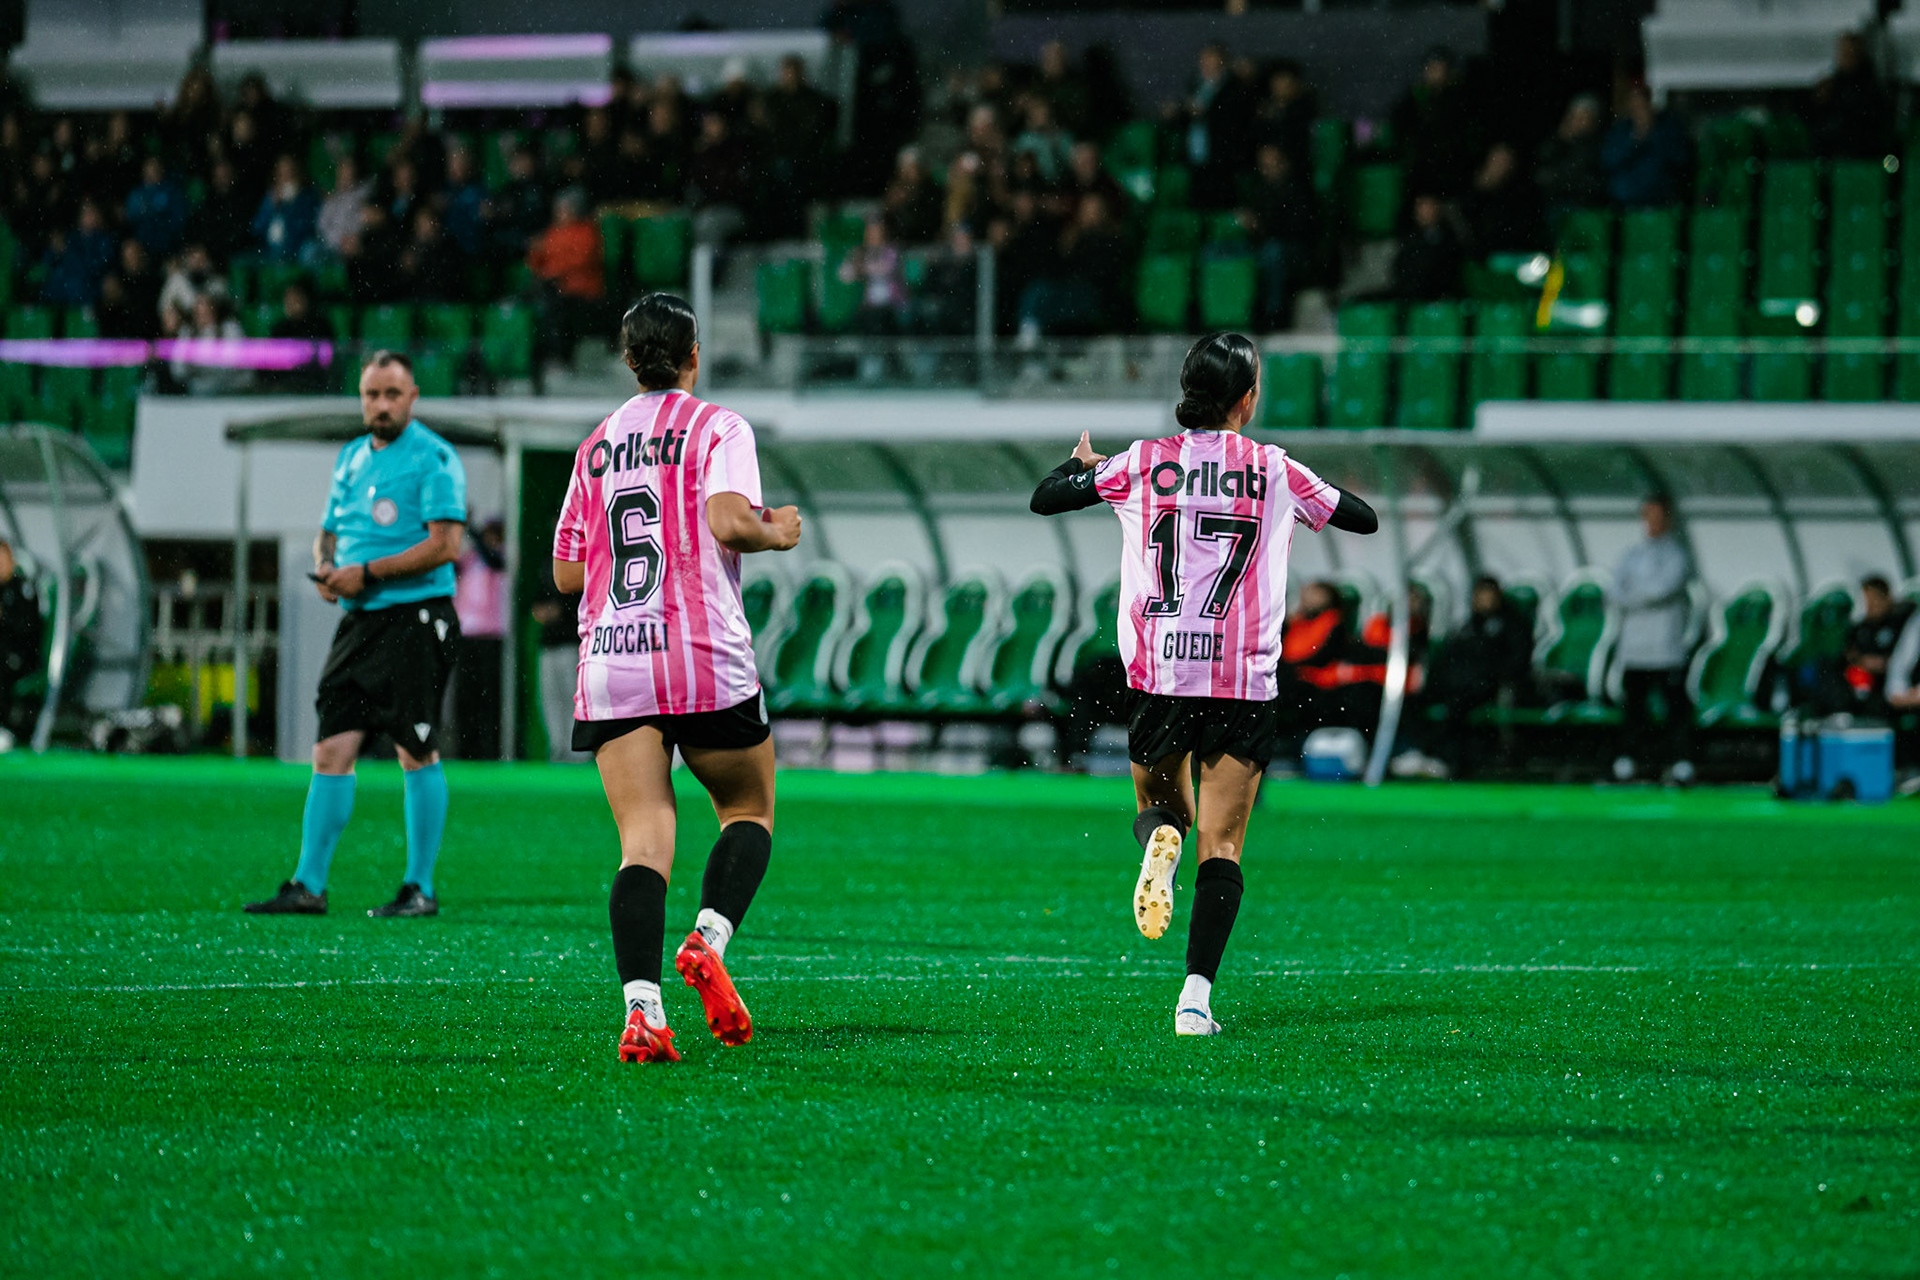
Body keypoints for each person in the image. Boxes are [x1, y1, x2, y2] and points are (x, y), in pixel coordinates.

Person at [1028, 332, 1378, 1036]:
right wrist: (1310, 490)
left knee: (1162, 812)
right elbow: (1361, 518)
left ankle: (1162, 839)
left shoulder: (1142, 463)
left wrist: (1079, 464)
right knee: (1225, 845)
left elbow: (1046, 499)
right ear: (1246, 398)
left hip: (1161, 672)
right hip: (1243, 678)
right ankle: (1195, 1001)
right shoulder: (1274, 468)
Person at [553, 293, 802, 1065]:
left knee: (642, 843)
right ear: (694, 356)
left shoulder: (595, 445)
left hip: (615, 657)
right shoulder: (718, 426)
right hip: (700, 654)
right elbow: (730, 520)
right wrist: (774, 530)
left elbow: (566, 571)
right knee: (747, 809)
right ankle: (708, 937)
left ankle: (642, 1013)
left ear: (629, 361)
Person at [244, 352, 467, 919]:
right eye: (372, 395)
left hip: (416, 618)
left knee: (414, 749)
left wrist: (364, 573)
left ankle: (420, 888)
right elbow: (328, 532)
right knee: (330, 748)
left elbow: (445, 546)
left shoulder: (435, 458)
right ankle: (308, 885)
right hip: (360, 622)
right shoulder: (349, 459)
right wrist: (326, 566)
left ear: (412, 395)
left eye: (392, 394)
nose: (381, 405)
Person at [1612, 494, 1695, 785]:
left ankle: (1679, 761)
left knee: (1673, 709)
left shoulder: (1677, 555)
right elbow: (1615, 590)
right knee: (1634, 708)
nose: (1653, 522)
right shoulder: (1632, 555)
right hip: (1634, 648)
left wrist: (1635, 593)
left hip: (1665, 647)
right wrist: (1637, 594)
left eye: (1658, 515)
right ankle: (1629, 760)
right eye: (1648, 515)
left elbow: (1661, 589)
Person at [451, 519, 508, 760]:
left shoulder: (499, 556)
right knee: (465, 698)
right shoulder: (470, 557)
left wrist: (470, 528)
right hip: (466, 636)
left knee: (488, 698)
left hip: (490, 637)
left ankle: (489, 750)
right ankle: (466, 749)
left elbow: (494, 560)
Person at [1601, 83, 1690, 208]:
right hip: (1625, 200)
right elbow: (1609, 160)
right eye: (1634, 103)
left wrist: (1651, 132)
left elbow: (1679, 158)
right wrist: (1636, 138)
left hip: (1659, 200)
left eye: (1641, 103)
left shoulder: (1667, 128)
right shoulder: (1620, 131)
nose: (1638, 108)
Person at [1844, 576, 1915, 715]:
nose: (1869, 606)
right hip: (1871, 688)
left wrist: (1884, 663)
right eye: (1866, 601)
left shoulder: (1904, 622)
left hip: (1900, 686)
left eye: (1874, 600)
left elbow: (1907, 657)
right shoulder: (1862, 628)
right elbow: (1850, 654)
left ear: (1887, 597)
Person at [0, 536, 45, 748]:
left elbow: (28, 628)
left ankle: (5, 727)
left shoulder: (22, 588)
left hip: (21, 657)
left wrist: (4, 618)